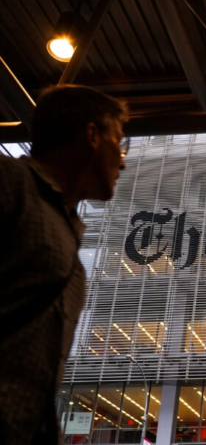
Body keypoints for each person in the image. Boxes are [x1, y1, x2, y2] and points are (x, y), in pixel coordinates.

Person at [0, 85, 128, 444]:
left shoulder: (68, 231)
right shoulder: (11, 184)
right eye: (119, 142)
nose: (122, 160)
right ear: (91, 135)